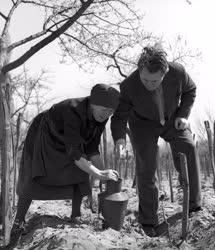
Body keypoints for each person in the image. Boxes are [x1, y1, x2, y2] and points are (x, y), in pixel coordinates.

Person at [111, 46, 201, 237]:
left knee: (189, 148)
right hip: (143, 124)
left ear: (165, 72)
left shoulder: (178, 72)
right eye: (145, 80)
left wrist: (184, 115)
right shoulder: (129, 85)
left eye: (154, 80)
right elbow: (119, 116)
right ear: (139, 71)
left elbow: (190, 90)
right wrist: (119, 139)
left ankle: (193, 205)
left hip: (172, 119)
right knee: (147, 166)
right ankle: (149, 221)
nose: (149, 84)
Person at [10, 83, 119, 241]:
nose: (106, 114)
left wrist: (104, 173)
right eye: (103, 110)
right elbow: (75, 153)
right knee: (34, 172)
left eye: (110, 112)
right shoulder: (72, 111)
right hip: (45, 132)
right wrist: (98, 173)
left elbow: (92, 149)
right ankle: (18, 222)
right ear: (93, 104)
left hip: (69, 141)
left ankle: (76, 215)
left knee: (81, 170)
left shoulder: (101, 118)